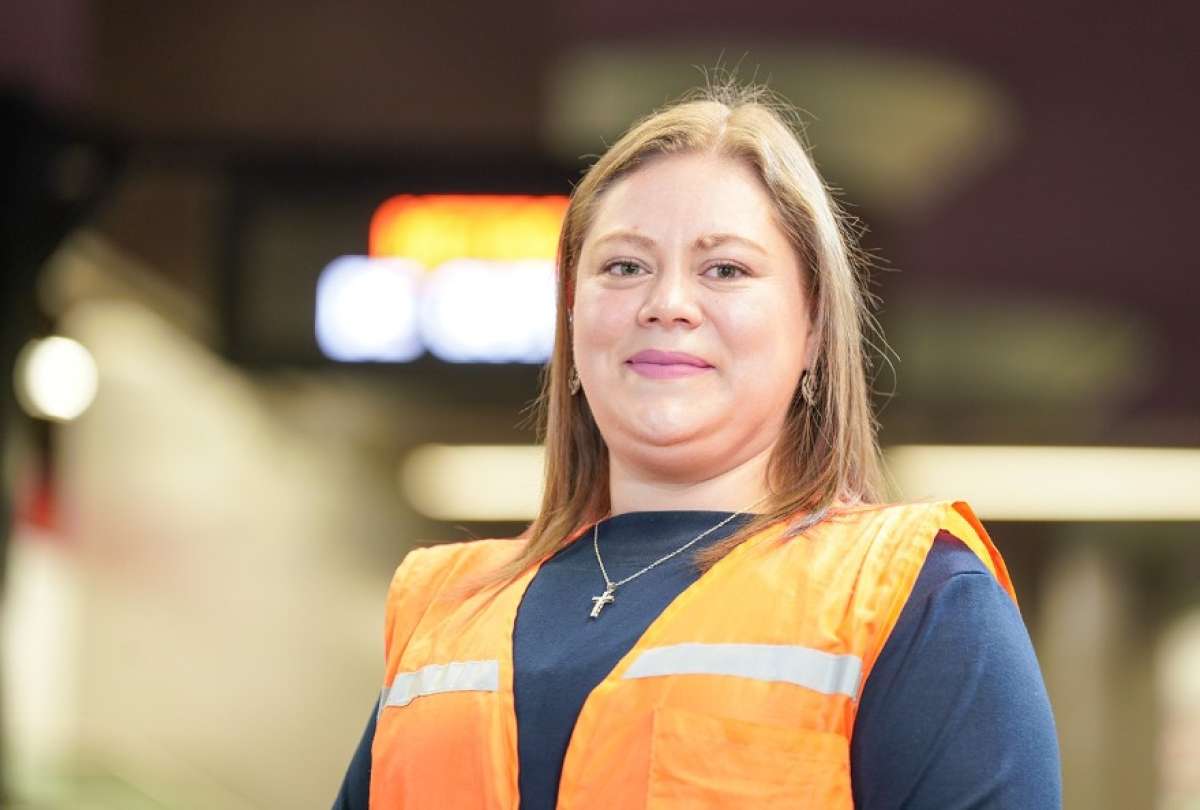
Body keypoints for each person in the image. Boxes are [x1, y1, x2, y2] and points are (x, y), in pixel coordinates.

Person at [333, 78, 1061, 809]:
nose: (667, 304)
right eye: (624, 266)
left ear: (813, 330)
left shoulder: (920, 598)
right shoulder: (443, 609)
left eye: (726, 269)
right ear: (573, 318)